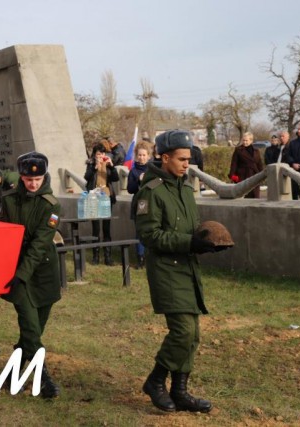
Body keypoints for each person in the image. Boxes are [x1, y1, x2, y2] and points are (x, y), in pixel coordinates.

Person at [134, 129, 217, 414]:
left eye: (189, 159)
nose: (186, 164)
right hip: (167, 271)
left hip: (188, 268)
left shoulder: (184, 186)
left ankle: (180, 391)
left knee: (193, 335)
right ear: (165, 157)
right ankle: (155, 381)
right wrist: (189, 243)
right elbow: (150, 236)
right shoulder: (151, 190)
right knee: (181, 332)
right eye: (181, 159)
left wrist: (206, 241)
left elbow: (189, 228)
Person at [0, 151, 61, 399]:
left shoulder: (52, 205)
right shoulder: (9, 200)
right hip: (17, 274)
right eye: (28, 179)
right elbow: (4, 234)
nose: (33, 183)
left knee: (33, 331)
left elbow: (39, 245)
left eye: (37, 179)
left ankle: (12, 374)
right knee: (30, 327)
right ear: (21, 177)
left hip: (42, 271)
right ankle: (43, 378)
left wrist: (22, 274)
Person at [84, 143, 119, 265]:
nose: (100, 156)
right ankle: (95, 256)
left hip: (106, 196)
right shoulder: (90, 164)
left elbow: (115, 178)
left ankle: (107, 257)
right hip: (94, 196)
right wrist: (94, 167)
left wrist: (112, 166)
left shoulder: (108, 165)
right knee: (96, 228)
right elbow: (86, 177)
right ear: (94, 155)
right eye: (98, 154)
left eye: (102, 154)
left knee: (106, 228)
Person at [127, 141, 151, 268]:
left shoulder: (153, 170)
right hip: (140, 203)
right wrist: (138, 180)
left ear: (148, 156)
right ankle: (140, 258)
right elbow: (130, 189)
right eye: (139, 155)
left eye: (144, 155)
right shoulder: (134, 171)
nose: (141, 157)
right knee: (140, 231)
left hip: (152, 202)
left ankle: (151, 256)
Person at [228, 131, 264, 198]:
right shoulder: (238, 150)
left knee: (255, 197)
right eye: (243, 140)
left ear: (251, 140)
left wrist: (262, 175)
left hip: (254, 176)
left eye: (246, 140)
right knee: (244, 197)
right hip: (243, 176)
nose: (245, 142)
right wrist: (232, 176)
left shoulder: (256, 151)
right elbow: (234, 163)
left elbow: (259, 164)